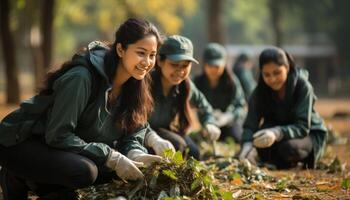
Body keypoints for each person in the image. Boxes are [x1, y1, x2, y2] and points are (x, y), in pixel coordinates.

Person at [0, 18, 164, 199]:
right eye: (141, 53)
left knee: (113, 175)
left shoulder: (136, 86)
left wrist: (135, 153)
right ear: (120, 50)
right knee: (86, 172)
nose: (147, 62)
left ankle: (41, 186)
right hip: (23, 143)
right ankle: (17, 177)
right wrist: (111, 157)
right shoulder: (82, 78)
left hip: (61, 151)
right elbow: (58, 135)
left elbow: (134, 131)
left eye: (152, 55)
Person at [238, 47, 328, 169]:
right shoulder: (259, 92)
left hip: (307, 134)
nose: (273, 79)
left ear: (287, 67)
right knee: (259, 148)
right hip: (276, 136)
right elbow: (250, 124)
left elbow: (302, 126)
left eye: (277, 73)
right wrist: (247, 146)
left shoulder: (303, 87)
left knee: (289, 149)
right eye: (267, 75)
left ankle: (298, 160)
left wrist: (277, 132)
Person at [147, 35, 221, 160]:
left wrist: (209, 123)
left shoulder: (186, 86)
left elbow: (204, 105)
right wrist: (153, 139)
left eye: (185, 65)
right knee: (178, 146)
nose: (180, 71)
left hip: (167, 130)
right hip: (144, 133)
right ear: (159, 61)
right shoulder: (146, 83)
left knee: (193, 153)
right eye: (174, 64)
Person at [194, 43, 246, 143]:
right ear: (204, 65)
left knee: (236, 138)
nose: (213, 70)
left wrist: (227, 117)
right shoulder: (198, 82)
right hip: (207, 125)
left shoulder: (231, 82)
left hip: (229, 124)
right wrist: (207, 119)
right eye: (210, 65)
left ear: (224, 64)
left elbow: (241, 107)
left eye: (217, 66)